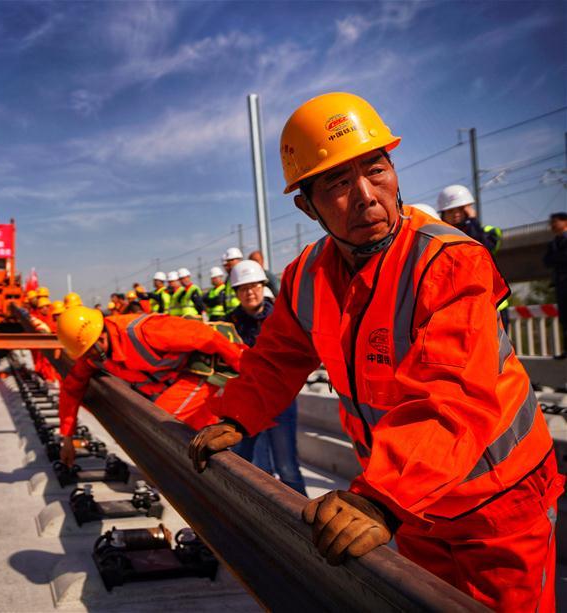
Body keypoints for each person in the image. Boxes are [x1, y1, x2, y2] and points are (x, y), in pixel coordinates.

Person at [188, 92, 560, 612]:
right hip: (414, 503)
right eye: (339, 182)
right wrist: (237, 415)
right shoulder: (307, 277)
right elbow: (275, 359)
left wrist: (379, 498)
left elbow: (451, 392)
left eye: (376, 169)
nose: (366, 194)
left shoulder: (449, 260)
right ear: (307, 205)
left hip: (494, 495)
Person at [57, 307, 243, 466]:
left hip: (206, 367)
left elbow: (207, 336)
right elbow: (71, 389)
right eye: (86, 354)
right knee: (178, 426)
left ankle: (190, 468)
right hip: (177, 376)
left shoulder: (146, 331)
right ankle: (194, 464)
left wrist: (243, 367)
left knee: (161, 421)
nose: (90, 358)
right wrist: (67, 438)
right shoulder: (93, 355)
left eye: (92, 351)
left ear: (101, 336)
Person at [225, 261, 307, 496]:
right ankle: (271, 522)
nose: (250, 292)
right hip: (251, 405)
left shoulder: (282, 317)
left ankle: (303, 525)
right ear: (237, 293)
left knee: (288, 468)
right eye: (243, 288)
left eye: (254, 286)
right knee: (261, 469)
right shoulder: (231, 323)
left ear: (263, 287)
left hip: (282, 401)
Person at [436, 185, 510, 329]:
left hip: (493, 302)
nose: (456, 214)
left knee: (496, 348)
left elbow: (483, 249)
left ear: (468, 209)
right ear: (443, 214)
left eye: (460, 209)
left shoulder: (489, 232)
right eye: (450, 211)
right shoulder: (439, 238)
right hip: (459, 307)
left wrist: (473, 221)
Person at [544, 211, 567, 359]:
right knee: (565, 318)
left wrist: (557, 258)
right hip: (561, 284)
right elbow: (546, 261)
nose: (552, 225)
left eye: (555, 222)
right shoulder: (554, 242)